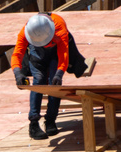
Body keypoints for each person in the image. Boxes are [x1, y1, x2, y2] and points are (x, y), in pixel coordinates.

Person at [11, 12, 87, 140]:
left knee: (54, 83)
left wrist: (59, 73)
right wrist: (18, 73)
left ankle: (50, 120)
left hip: (55, 53)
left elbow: (64, 55)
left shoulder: (59, 28)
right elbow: (16, 55)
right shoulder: (26, 31)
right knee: (38, 81)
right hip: (36, 53)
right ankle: (33, 123)